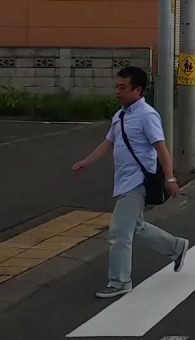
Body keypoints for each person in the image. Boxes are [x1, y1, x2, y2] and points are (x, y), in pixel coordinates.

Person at [72, 66, 188, 299]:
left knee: (118, 233)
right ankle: (176, 247)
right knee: (136, 227)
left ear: (138, 89)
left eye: (122, 88)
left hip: (137, 182)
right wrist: (86, 161)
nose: (117, 91)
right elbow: (108, 143)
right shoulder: (121, 114)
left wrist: (170, 178)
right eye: (116, 86)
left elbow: (161, 148)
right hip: (123, 180)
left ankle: (120, 281)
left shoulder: (147, 115)